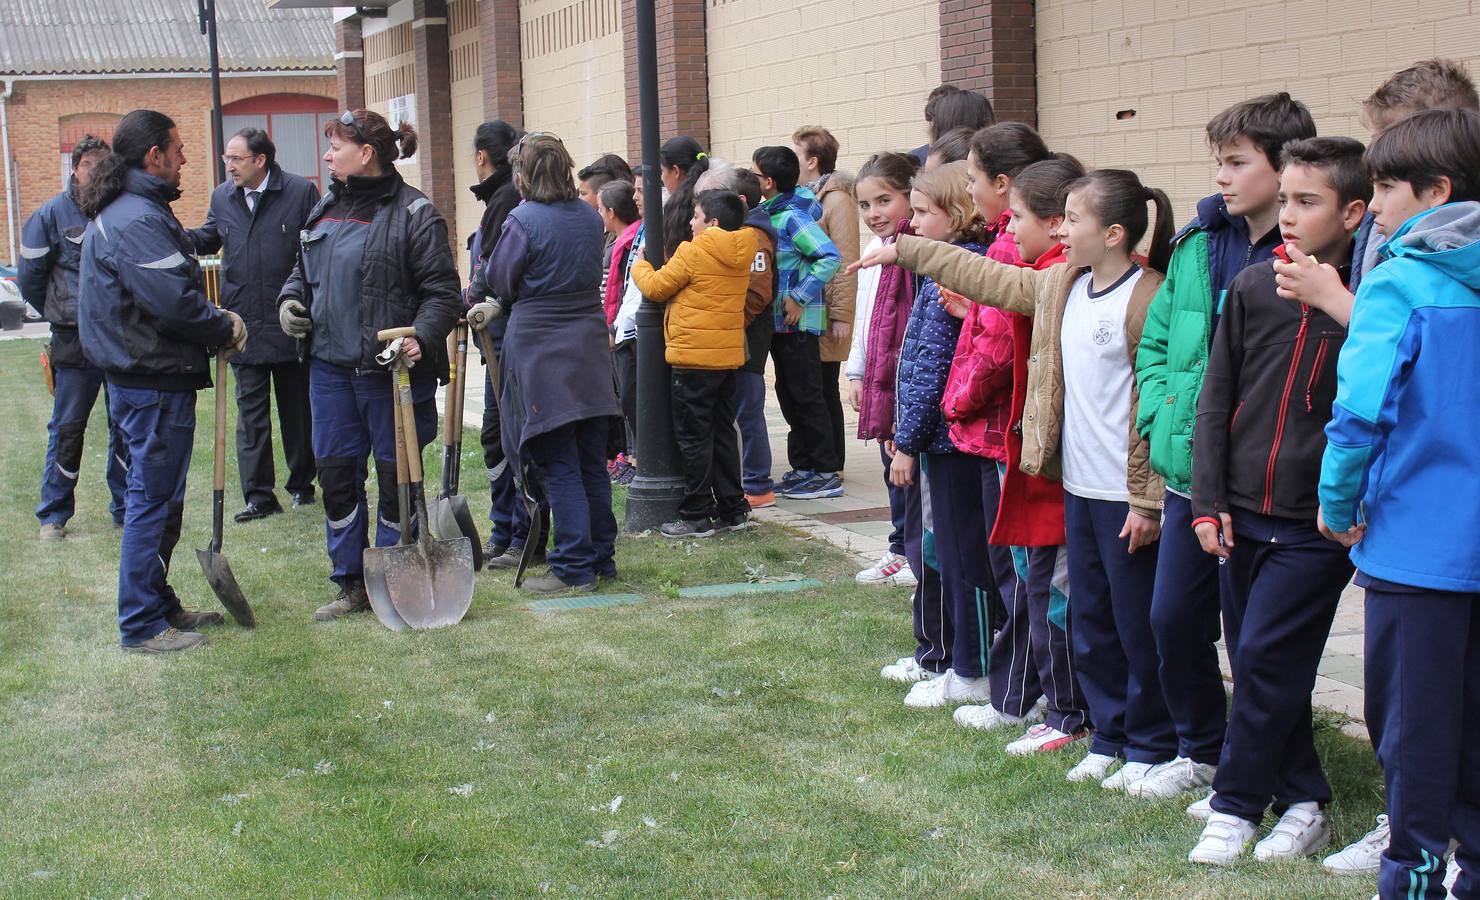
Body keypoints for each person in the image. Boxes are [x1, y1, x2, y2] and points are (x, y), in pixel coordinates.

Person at [857, 168, 1177, 787]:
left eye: (1073, 220)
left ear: (1112, 233)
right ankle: (1108, 738)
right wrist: (908, 249)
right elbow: (991, 279)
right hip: (1076, 488)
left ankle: (1151, 743)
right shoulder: (1063, 284)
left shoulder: (1147, 296)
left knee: (1135, 625)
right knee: (1089, 620)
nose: (1062, 228)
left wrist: (1147, 498)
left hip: (1126, 496)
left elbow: (1153, 404)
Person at [1185, 136, 1370, 866]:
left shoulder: (1366, 302)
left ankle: (1234, 807)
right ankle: (1303, 801)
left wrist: (1340, 306)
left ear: (1353, 213)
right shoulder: (1256, 287)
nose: (1287, 215)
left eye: (1307, 202)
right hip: (1237, 513)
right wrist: (1207, 499)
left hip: (1315, 524)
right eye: (1284, 199)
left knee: (1264, 656)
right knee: (1265, 661)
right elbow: (1216, 396)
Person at [1131, 92, 1317, 803]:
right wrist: (1161, 408)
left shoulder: (1309, 256)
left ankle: (1265, 768)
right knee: (1172, 618)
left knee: (1259, 641)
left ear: (1283, 166)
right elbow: (1156, 342)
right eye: (1219, 163)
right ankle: (1202, 748)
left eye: (1237, 163)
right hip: (1188, 475)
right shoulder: (1198, 244)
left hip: (1260, 483)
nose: (1222, 178)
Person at [1318, 108, 1480, 900]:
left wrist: (1335, 503)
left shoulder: (1397, 283)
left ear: (1438, 193)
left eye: (1385, 186)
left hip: (1417, 556)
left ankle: (1410, 883)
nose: (1373, 204)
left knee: (1411, 740)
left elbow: (1357, 412)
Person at [277, 109, 460, 620]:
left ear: (367, 153)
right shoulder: (324, 210)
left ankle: (395, 582)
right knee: (336, 476)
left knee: (394, 479)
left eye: (335, 146)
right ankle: (350, 583)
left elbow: (442, 293)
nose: (327, 155)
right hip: (329, 373)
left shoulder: (416, 214)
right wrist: (291, 302)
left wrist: (422, 336)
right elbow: (302, 273)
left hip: (391, 376)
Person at [76, 109, 246, 653]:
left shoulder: (133, 211)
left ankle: (158, 600)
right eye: (177, 150)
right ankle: (141, 624)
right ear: (153, 155)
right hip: (150, 381)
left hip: (143, 376)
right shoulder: (136, 219)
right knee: (151, 499)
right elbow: (174, 301)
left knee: (161, 497)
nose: (185, 160)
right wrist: (223, 325)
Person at [480, 133, 620, 594]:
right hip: (589, 345)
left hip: (541, 346)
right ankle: (601, 557)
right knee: (589, 460)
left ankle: (574, 566)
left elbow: (499, 278)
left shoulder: (522, 219)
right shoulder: (587, 214)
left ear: (522, 174)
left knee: (558, 460)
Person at [885, 161, 992, 710]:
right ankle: (955, 659)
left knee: (961, 557)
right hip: (941, 437)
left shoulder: (960, 266)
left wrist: (908, 439)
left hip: (952, 440)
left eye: (924, 212)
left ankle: (972, 667)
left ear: (956, 213)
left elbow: (934, 364)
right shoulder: (944, 266)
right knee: (944, 552)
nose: (913, 222)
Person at [1277, 59, 1479, 328]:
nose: (1381, 150)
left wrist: (1331, 297)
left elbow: (1398, 332)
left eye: (1393, 138)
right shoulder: (1386, 217)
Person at [189, 127, 320, 523]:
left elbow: (314, 251)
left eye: (235, 158)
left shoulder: (298, 193)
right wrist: (170, 235)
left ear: (260, 160)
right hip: (243, 324)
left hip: (287, 320)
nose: (228, 165)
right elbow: (209, 237)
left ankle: (302, 486)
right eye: (227, 158)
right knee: (250, 418)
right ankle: (259, 496)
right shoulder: (222, 197)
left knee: (297, 411)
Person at [21, 134, 128, 541]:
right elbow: (32, 281)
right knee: (68, 426)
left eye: (104, 165)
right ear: (75, 168)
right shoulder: (49, 215)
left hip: (118, 337)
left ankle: (124, 508)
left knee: (124, 424)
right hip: (73, 340)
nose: (96, 173)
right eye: (89, 165)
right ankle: (54, 514)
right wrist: (65, 312)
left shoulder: (120, 210)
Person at [631, 189, 757, 537]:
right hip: (726, 358)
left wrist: (640, 263)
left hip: (692, 359)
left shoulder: (694, 251)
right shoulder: (744, 249)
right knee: (722, 434)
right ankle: (733, 509)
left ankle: (696, 514)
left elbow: (656, 287)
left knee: (694, 439)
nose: (690, 222)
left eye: (696, 216)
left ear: (712, 223)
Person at [751, 146, 842, 500]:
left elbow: (828, 256)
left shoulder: (792, 217)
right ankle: (803, 467)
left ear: (769, 182)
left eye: (756, 174)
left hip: (798, 324)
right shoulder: (768, 214)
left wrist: (799, 297)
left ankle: (824, 471)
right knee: (788, 394)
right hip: (778, 325)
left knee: (807, 395)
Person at [465, 119, 537, 569]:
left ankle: (519, 532)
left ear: (480, 156)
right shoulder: (500, 197)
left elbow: (494, 272)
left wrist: (475, 297)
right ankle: (504, 530)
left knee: (507, 437)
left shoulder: (507, 199)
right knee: (498, 439)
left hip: (507, 342)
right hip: (495, 338)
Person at [847, 152, 920, 591]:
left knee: (909, 466)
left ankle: (915, 548)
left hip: (908, 374)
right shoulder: (875, 249)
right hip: (880, 374)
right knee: (887, 457)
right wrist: (857, 371)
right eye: (865, 205)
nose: (874, 214)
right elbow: (867, 316)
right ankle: (898, 545)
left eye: (884, 200)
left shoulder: (917, 250)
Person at [793, 127, 858, 480]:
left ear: (813, 161)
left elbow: (846, 260)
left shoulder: (837, 200)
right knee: (812, 386)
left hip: (827, 312)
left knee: (824, 388)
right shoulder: (807, 197)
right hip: (809, 312)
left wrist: (840, 314)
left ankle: (832, 463)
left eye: (797, 153)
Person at [598, 178, 642, 481]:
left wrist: (613, 326)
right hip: (614, 326)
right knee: (622, 394)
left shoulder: (628, 241)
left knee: (629, 395)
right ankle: (627, 455)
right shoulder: (616, 240)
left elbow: (626, 289)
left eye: (600, 207)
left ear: (611, 212)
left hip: (624, 329)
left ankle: (635, 457)